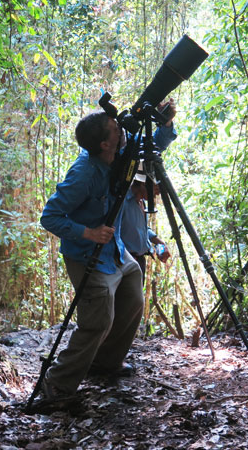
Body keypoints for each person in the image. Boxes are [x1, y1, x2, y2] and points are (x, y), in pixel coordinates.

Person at [39, 111, 143, 398]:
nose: (120, 130)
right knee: (97, 321)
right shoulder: (83, 175)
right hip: (88, 255)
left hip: (116, 252)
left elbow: (150, 143)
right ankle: (57, 385)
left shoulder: (120, 150)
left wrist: (165, 121)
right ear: (103, 145)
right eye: (114, 129)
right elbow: (50, 217)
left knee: (133, 296)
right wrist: (89, 232)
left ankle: (106, 362)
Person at [121, 99, 177, 280]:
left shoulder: (139, 201)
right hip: (125, 261)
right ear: (143, 181)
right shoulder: (122, 200)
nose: (158, 193)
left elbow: (138, 228)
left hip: (139, 261)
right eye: (156, 187)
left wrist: (156, 240)